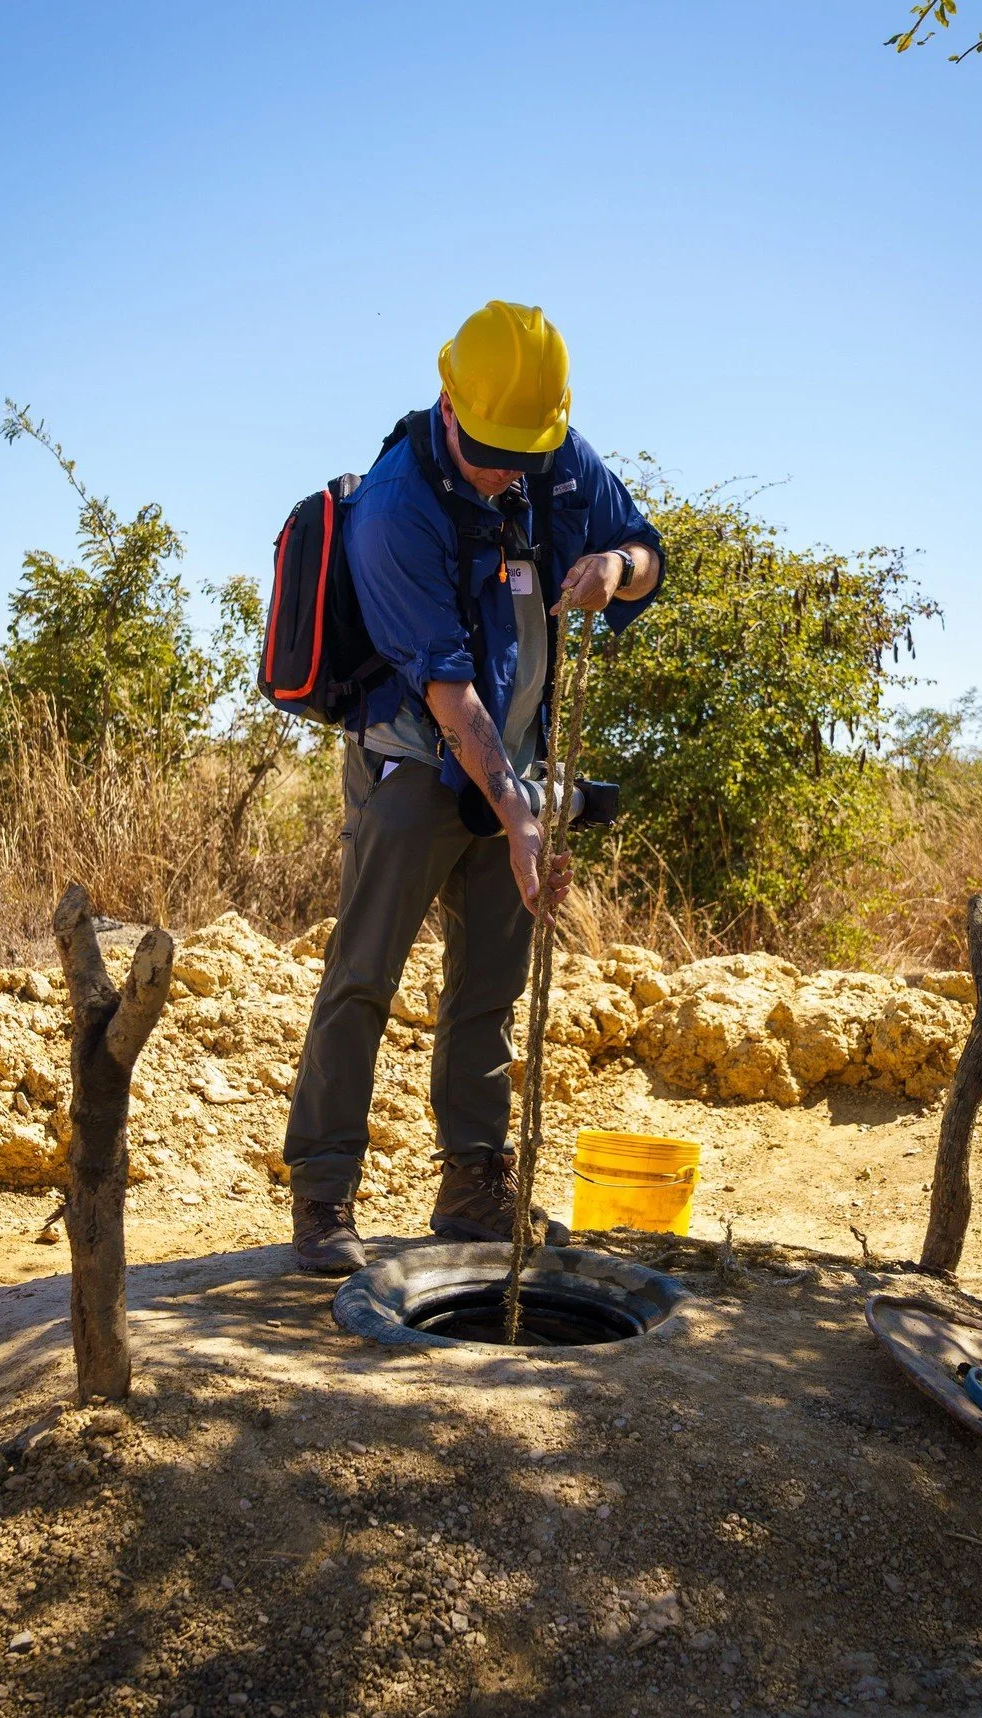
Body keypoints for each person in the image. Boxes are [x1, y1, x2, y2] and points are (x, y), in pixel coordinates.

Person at [284, 301, 664, 1272]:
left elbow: (650, 553)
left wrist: (614, 568)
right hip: (413, 766)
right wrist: (524, 816)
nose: (509, 472)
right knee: (363, 979)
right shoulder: (394, 510)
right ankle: (324, 1197)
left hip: (516, 780)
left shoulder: (556, 455)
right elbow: (451, 696)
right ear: (448, 401)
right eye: (493, 451)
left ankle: (471, 1191)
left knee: (487, 991)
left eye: (523, 452)